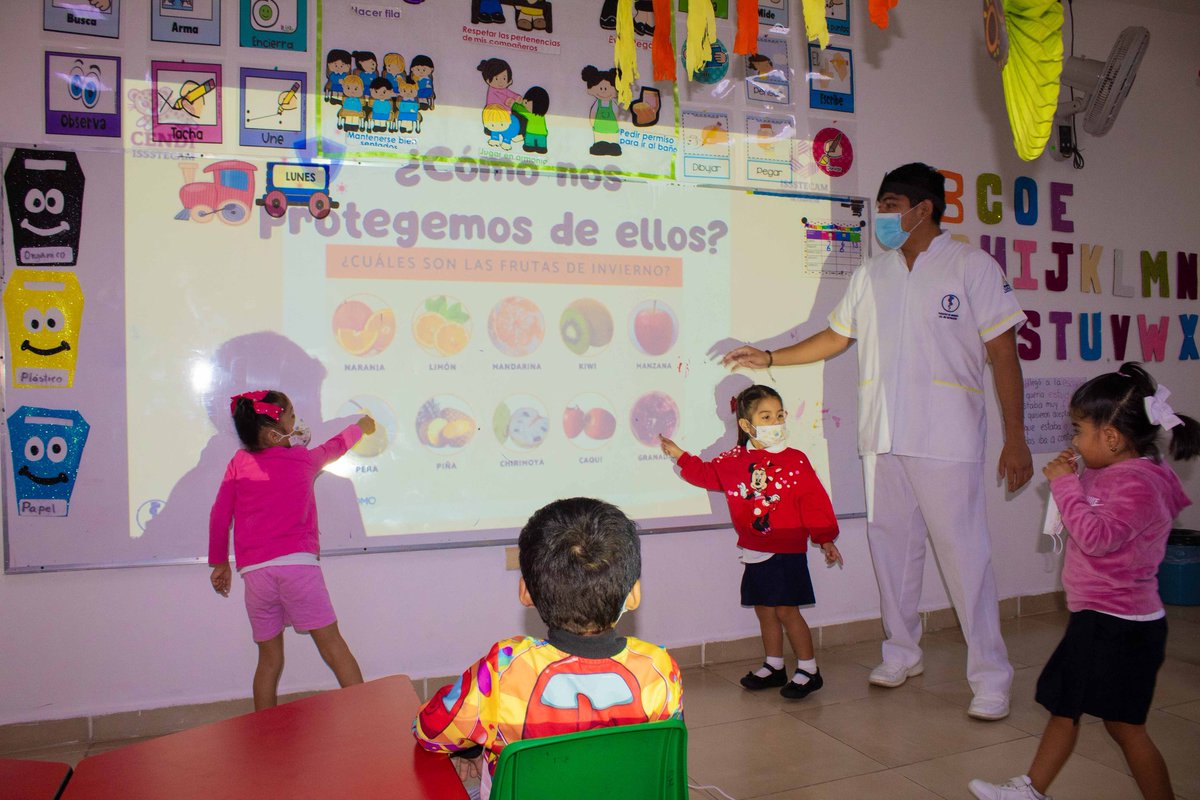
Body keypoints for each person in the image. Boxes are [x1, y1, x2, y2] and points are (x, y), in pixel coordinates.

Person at [723, 163, 1033, 720]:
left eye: (891, 204)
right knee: (892, 551)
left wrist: (1017, 438)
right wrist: (767, 356)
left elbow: (1003, 354)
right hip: (883, 435)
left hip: (947, 435)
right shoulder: (871, 274)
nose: (883, 216)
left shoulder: (971, 267)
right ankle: (902, 652)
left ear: (924, 209)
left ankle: (990, 675)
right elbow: (835, 337)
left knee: (965, 558)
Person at [969, 363, 1196, 800]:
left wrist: (1065, 485)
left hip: (1120, 626)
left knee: (1117, 726)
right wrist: (1078, 471)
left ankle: (1033, 791)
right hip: (1101, 619)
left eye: (1078, 430)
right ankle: (1031, 790)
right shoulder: (1117, 469)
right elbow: (1095, 500)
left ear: (1111, 437)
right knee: (1070, 710)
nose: (1072, 440)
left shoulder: (1140, 484)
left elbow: (1095, 537)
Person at [414, 497, 683, 800]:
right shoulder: (660, 669)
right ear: (634, 595)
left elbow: (430, 731)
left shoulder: (504, 669)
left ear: (525, 592)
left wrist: (473, 747)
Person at [659, 385, 842, 699]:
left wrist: (825, 538)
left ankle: (809, 669)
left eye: (779, 415)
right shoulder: (733, 460)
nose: (775, 422)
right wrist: (680, 455)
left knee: (787, 610)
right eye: (766, 416)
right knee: (764, 609)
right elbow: (705, 474)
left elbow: (815, 502)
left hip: (787, 550)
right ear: (746, 425)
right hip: (754, 548)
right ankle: (774, 665)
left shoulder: (796, 461)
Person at [208, 390, 375, 711]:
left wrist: (219, 563)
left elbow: (219, 514)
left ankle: (265, 733)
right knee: (333, 646)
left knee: (269, 659)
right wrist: (361, 427)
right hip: (299, 569)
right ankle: (365, 715)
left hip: (255, 576)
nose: (296, 421)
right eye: (290, 415)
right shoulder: (301, 459)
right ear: (273, 433)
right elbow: (335, 447)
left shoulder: (239, 463)